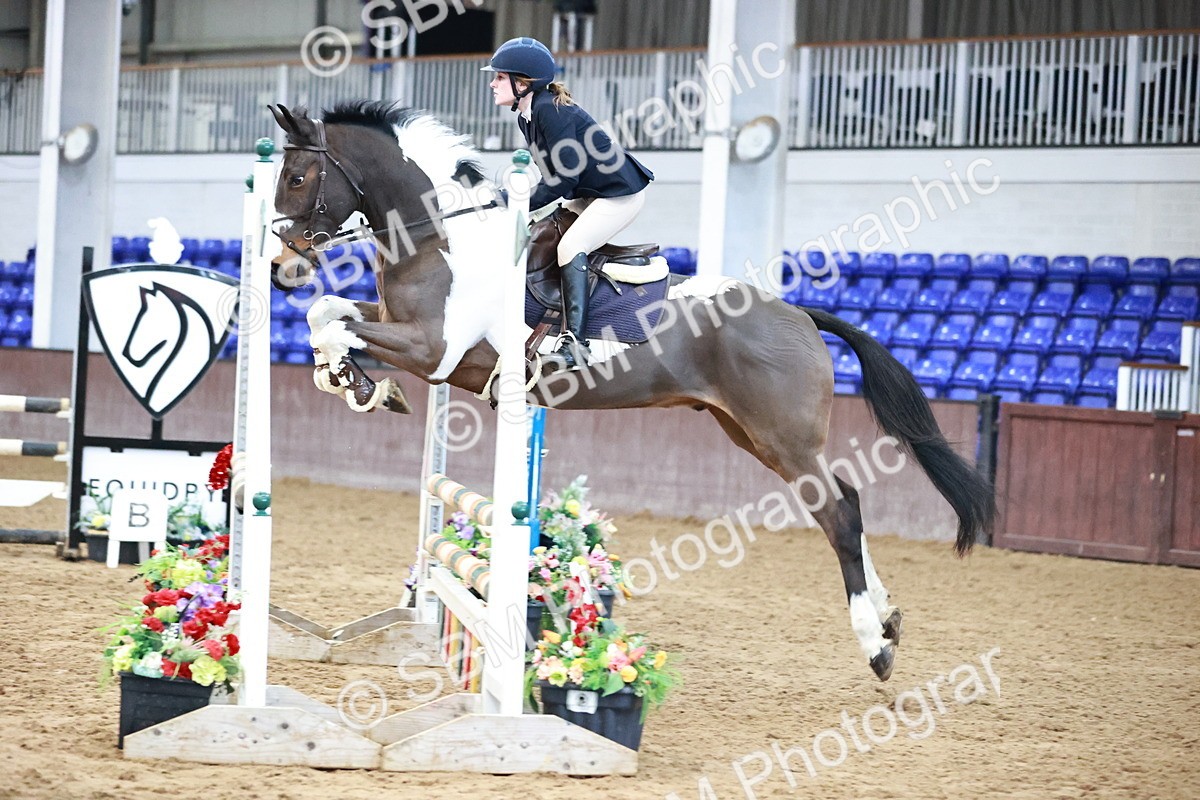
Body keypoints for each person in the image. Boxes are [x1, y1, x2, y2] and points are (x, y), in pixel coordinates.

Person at [483, 37, 654, 372]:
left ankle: (576, 345)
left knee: (570, 246)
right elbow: (554, 178)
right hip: (588, 195)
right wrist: (509, 200)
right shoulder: (527, 116)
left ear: (523, 83)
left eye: (500, 77)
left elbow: (563, 180)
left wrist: (514, 202)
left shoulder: (550, 110)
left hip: (618, 195)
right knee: (541, 235)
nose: (493, 83)